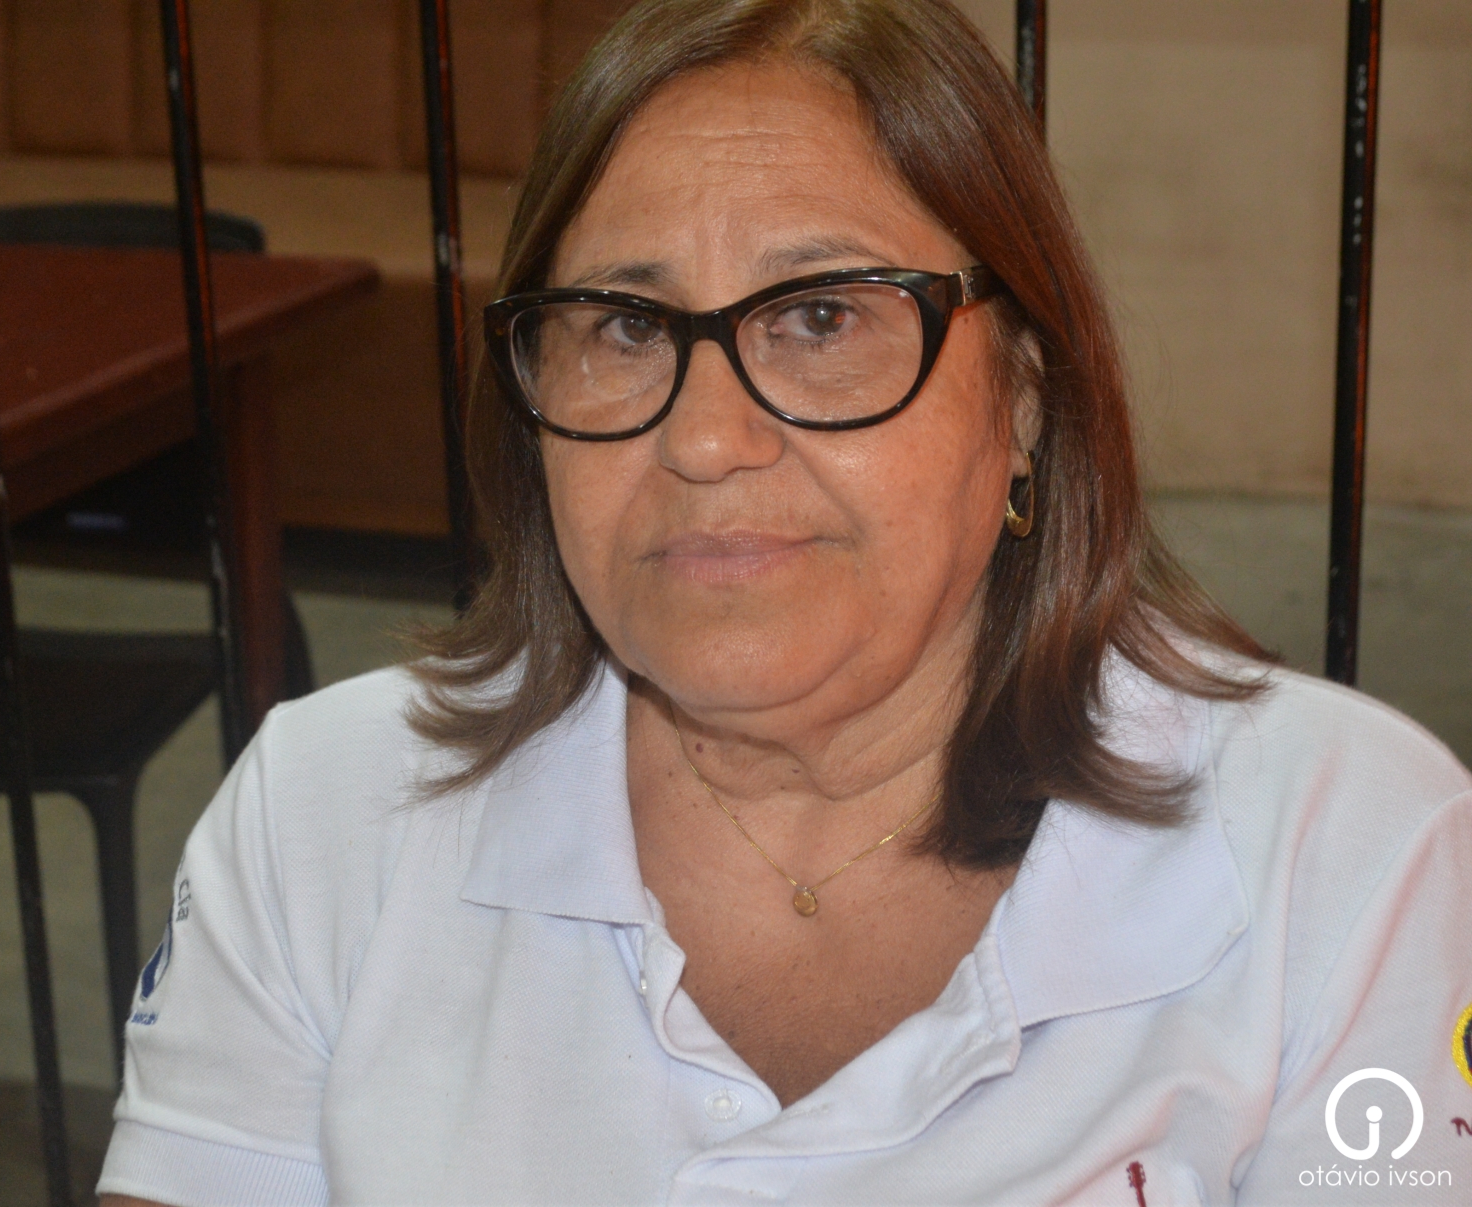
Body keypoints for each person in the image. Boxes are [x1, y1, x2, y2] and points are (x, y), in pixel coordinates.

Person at [100, 1, 1472, 1203]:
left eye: (821, 317)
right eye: (625, 327)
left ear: (1025, 397)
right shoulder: (326, 818)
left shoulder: (1346, 854)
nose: (705, 439)